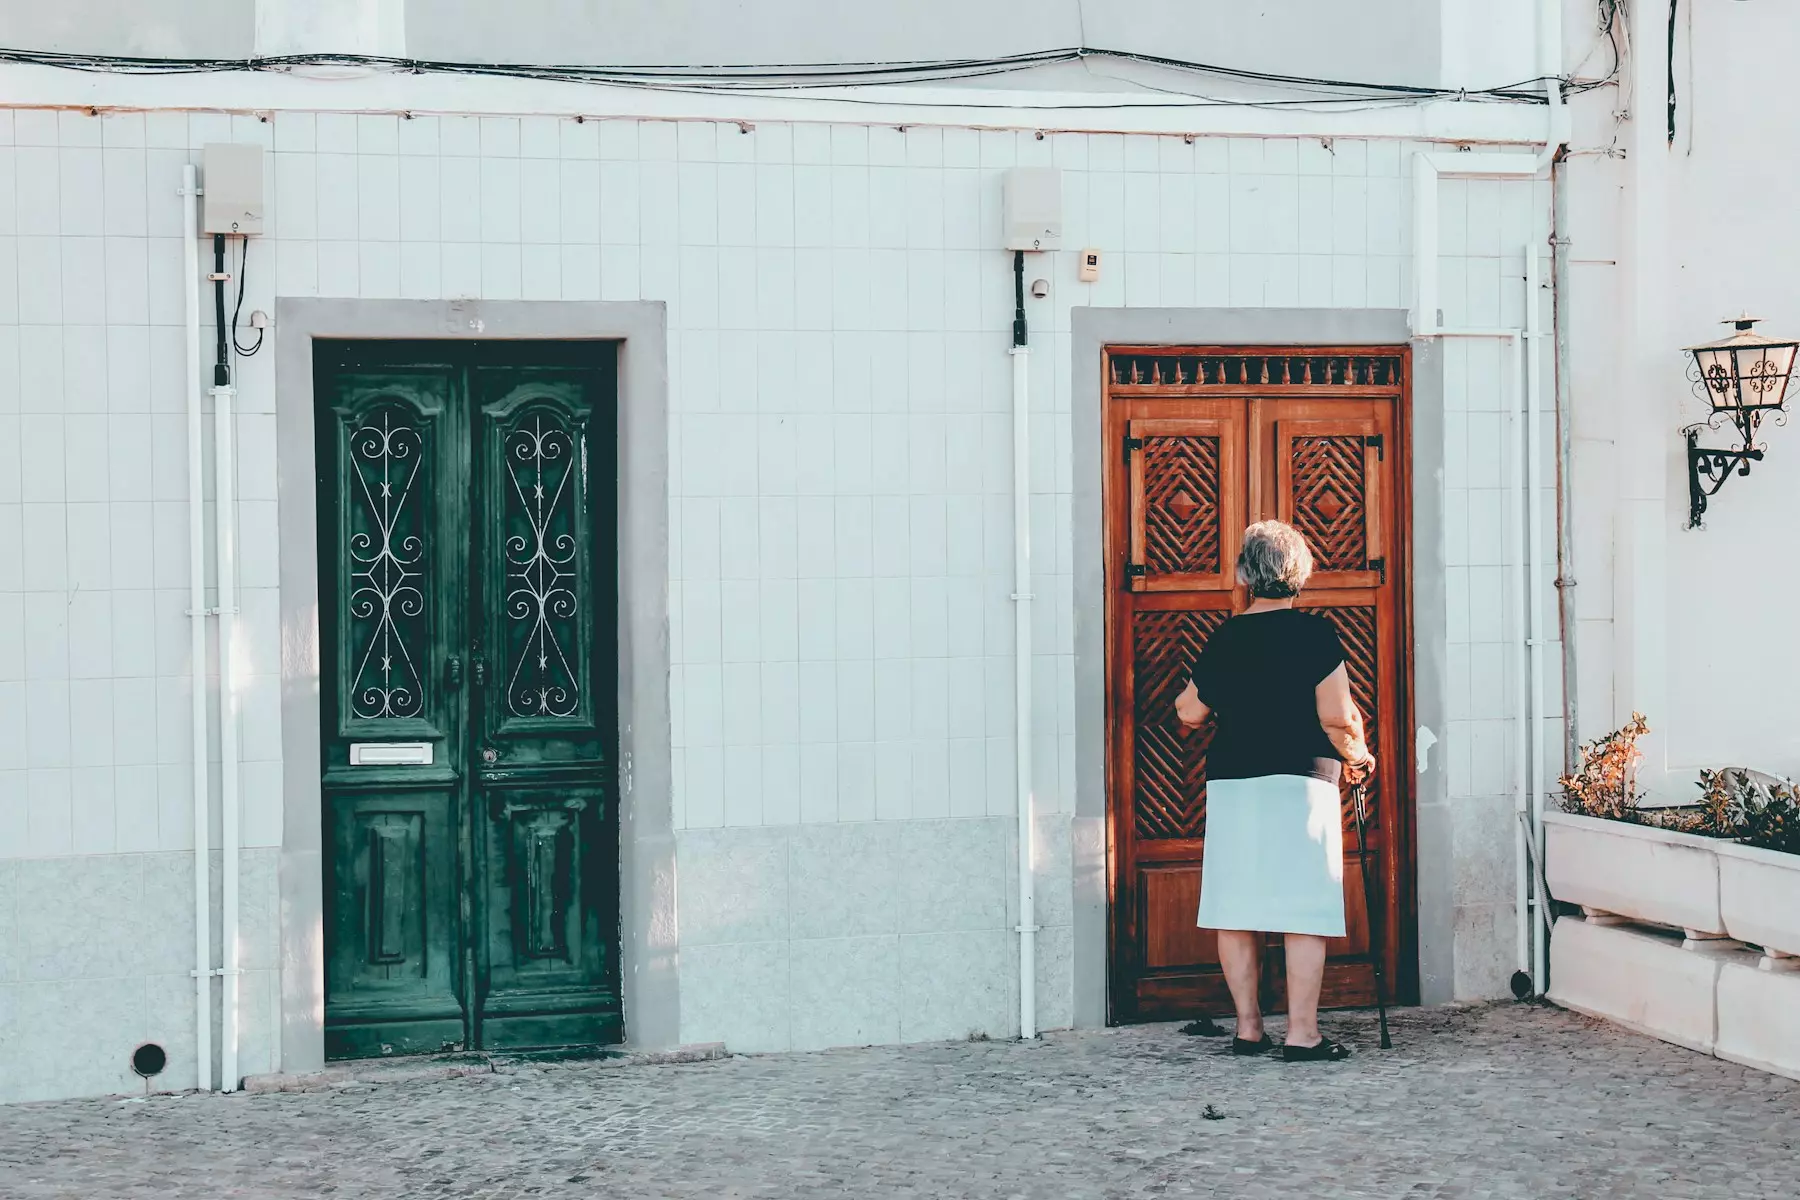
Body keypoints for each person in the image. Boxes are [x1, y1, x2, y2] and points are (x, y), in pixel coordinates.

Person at [1173, 520, 1375, 1063]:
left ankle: (1248, 1029)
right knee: (1302, 906)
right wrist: (1359, 757)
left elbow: (1190, 711)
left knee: (1235, 905)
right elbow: (1338, 717)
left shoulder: (1226, 637)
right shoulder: (1316, 635)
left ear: (1244, 574)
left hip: (1235, 782)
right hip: (1300, 783)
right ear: (1301, 574)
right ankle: (1302, 1035)